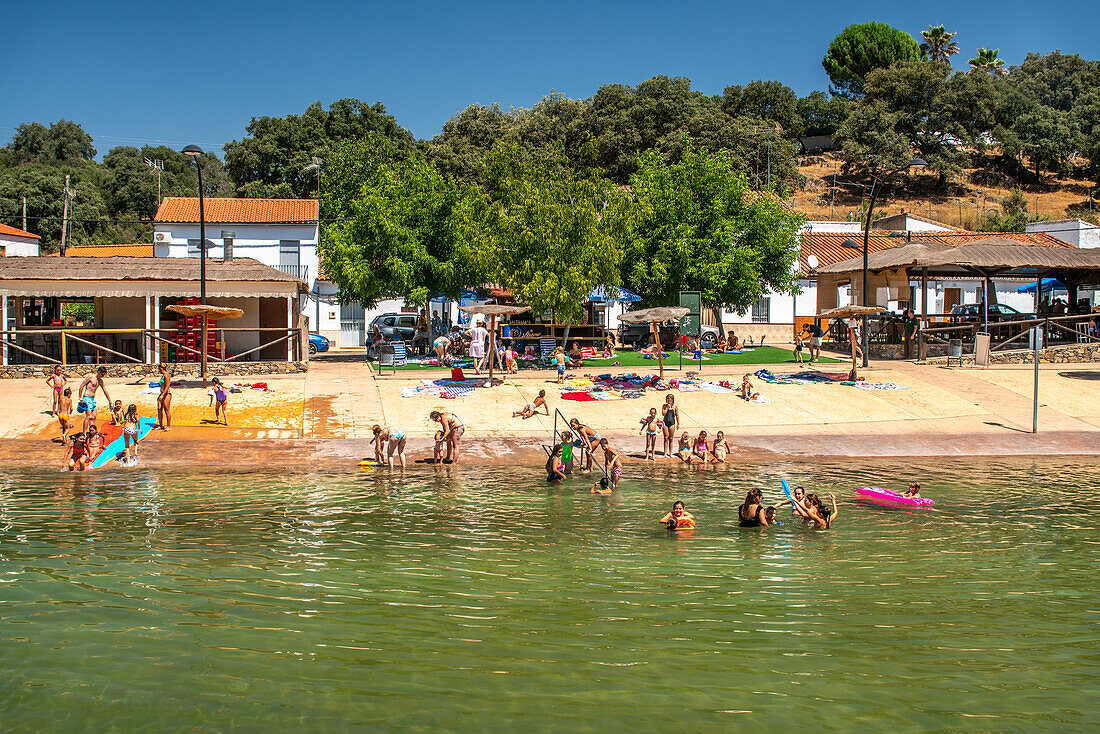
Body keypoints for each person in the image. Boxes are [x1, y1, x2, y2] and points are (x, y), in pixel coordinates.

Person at [76, 366, 113, 434]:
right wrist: (80, 397)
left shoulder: (100, 381)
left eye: (103, 375)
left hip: (93, 399)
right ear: (98, 372)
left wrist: (110, 401)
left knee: (94, 416)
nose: (102, 376)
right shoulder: (91, 377)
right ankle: (84, 433)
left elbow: (105, 391)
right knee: (88, 416)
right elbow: (82, 385)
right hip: (86, 398)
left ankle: (92, 431)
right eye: (102, 374)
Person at [155, 363, 172, 432]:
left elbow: (167, 386)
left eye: (159, 369)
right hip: (161, 393)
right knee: (159, 409)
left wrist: (163, 394)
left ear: (161, 369)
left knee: (166, 410)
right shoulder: (162, 376)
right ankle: (160, 425)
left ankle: (168, 426)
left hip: (166, 394)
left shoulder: (166, 375)